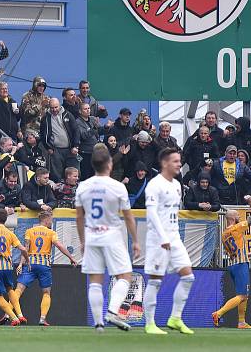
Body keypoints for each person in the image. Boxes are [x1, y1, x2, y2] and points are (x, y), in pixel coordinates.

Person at [75, 142, 141, 332]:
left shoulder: (83, 187)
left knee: (95, 280)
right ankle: (112, 311)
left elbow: (80, 217)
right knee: (125, 275)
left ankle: (98, 323)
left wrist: (82, 241)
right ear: (110, 164)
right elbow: (129, 217)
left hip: (92, 235)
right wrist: (136, 241)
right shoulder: (118, 187)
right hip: (112, 235)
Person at [142, 148, 195, 335]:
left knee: (188, 276)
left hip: (174, 236)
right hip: (158, 238)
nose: (179, 164)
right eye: (175, 161)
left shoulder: (177, 185)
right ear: (164, 163)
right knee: (155, 280)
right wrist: (163, 236)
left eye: (179, 161)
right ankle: (149, 323)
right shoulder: (154, 185)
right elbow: (152, 213)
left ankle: (175, 318)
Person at [16, 210, 78, 326]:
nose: (52, 222)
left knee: (18, 290)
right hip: (44, 265)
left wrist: (20, 264)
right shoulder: (51, 233)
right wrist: (71, 257)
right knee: (46, 293)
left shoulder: (30, 231)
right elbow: (59, 245)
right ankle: (42, 318)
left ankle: (9, 314)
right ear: (46, 219)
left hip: (30, 264)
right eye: (51, 219)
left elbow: (25, 249)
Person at [212, 198, 251, 329]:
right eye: (237, 215)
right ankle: (218, 313)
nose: (239, 217)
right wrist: (250, 201)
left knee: (244, 295)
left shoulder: (224, 234)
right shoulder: (237, 228)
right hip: (240, 265)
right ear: (232, 218)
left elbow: (234, 249)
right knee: (242, 295)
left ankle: (241, 322)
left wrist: (246, 254)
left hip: (233, 264)